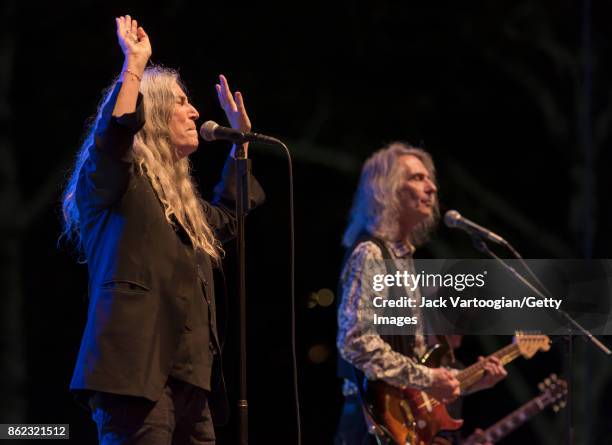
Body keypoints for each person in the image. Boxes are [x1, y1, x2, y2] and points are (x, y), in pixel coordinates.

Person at [61, 15, 264, 445]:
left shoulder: (186, 208)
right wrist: (133, 66)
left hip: (194, 388)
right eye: (180, 101)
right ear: (150, 113)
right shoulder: (118, 181)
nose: (194, 111)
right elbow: (113, 138)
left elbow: (231, 215)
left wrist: (240, 144)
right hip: (135, 379)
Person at [335, 142, 504, 445]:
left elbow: (412, 368)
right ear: (384, 190)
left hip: (398, 425)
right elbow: (354, 341)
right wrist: (428, 378)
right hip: (370, 425)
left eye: (430, 179)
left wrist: (467, 383)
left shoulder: (403, 262)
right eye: (416, 178)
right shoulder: (371, 253)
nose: (431, 188)